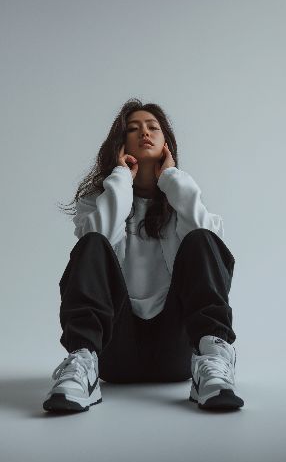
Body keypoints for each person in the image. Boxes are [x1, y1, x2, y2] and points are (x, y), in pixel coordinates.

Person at [43, 98, 244, 413]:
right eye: (133, 129)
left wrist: (172, 179)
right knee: (94, 241)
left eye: (153, 128)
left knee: (201, 238)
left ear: (166, 143)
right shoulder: (98, 201)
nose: (144, 133)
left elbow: (211, 248)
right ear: (120, 143)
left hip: (176, 351)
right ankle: (82, 366)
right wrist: (122, 181)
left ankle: (215, 365)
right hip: (115, 353)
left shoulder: (181, 198)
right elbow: (99, 242)